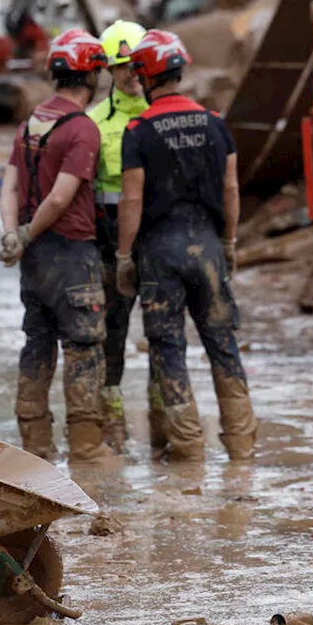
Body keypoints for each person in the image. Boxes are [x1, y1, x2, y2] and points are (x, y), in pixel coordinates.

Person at [115, 29, 257, 461]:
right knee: (222, 342)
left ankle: (190, 450)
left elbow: (132, 198)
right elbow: (231, 189)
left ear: (145, 75)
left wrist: (124, 255)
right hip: (209, 249)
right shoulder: (216, 123)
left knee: (168, 347)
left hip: (160, 254)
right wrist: (229, 241)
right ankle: (241, 446)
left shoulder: (138, 130)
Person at [0, 30, 113, 463]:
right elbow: (62, 197)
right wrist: (26, 234)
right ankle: (86, 448)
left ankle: (36, 451)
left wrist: (14, 235)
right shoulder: (82, 128)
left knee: (37, 344)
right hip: (70, 254)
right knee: (83, 349)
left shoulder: (31, 122)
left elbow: (9, 186)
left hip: (35, 260)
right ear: (92, 75)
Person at [86, 20, 158, 452]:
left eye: (138, 65)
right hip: (110, 244)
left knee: (164, 334)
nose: (132, 74)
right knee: (111, 334)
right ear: (108, 71)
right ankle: (112, 429)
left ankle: (164, 428)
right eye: (122, 67)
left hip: (158, 241)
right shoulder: (93, 123)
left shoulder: (161, 117)